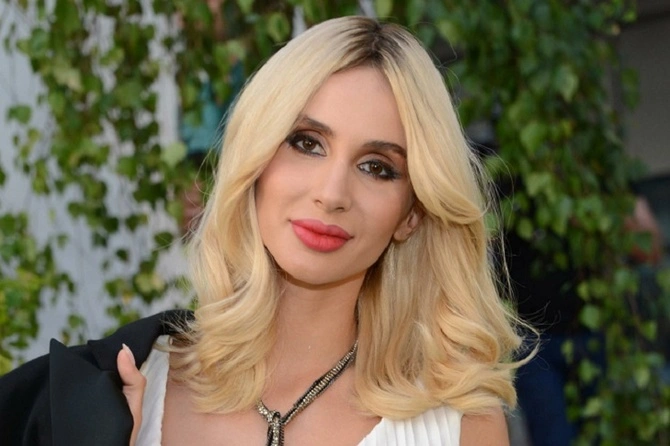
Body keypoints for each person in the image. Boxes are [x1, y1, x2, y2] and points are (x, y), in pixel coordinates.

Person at [0, 16, 527, 445]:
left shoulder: (461, 426)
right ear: (256, 159)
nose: (332, 193)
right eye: (306, 143)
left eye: (377, 167)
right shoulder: (107, 391)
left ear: (412, 214)